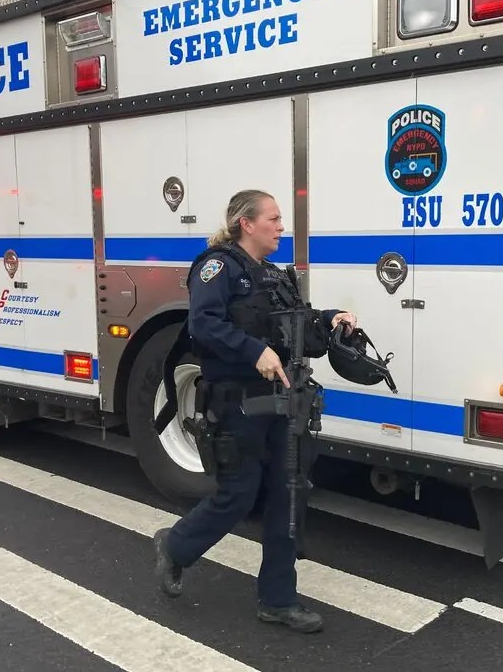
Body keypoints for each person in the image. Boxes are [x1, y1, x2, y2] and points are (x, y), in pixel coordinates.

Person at [152, 189, 356, 634]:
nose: (282, 227)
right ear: (247, 223)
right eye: (274, 218)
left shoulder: (274, 274)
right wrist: (254, 352)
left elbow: (295, 318)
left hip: (285, 402)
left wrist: (329, 317)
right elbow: (203, 324)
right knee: (239, 495)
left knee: (288, 495)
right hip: (239, 402)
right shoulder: (217, 268)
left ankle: (278, 601)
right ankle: (176, 546)